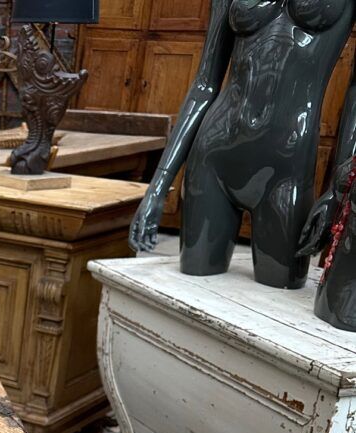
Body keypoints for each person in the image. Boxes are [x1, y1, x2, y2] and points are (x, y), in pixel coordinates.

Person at [128, 0, 354, 289]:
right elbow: (204, 84)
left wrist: (339, 192)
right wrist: (158, 186)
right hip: (213, 155)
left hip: (286, 170)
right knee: (191, 287)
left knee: (278, 298)